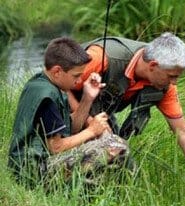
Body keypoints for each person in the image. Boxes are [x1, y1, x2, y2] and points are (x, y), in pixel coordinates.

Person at [70, 32, 185, 199]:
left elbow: (183, 131)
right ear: (153, 65)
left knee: (118, 153)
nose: (174, 82)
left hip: (98, 114)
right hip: (61, 109)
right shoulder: (100, 57)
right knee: (116, 151)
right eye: (172, 76)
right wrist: (90, 124)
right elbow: (59, 85)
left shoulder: (164, 86)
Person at [7, 37, 124, 186]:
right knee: (117, 146)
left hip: (26, 166)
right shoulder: (47, 97)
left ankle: (94, 187)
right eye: (76, 75)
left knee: (100, 141)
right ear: (57, 71)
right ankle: (111, 190)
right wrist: (92, 131)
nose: (79, 80)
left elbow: (71, 129)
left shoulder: (42, 83)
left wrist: (87, 97)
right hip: (32, 172)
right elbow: (56, 147)